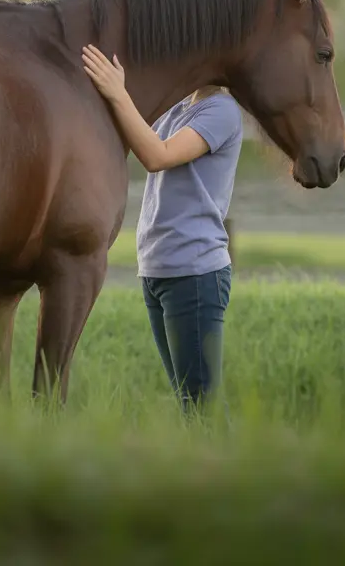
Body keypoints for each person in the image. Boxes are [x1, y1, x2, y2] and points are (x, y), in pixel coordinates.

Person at [81, 43, 243, 415]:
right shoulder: (179, 108)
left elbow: (157, 155)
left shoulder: (221, 111)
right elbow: (133, 128)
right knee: (190, 403)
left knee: (202, 408)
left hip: (195, 271)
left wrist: (118, 92)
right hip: (158, 269)